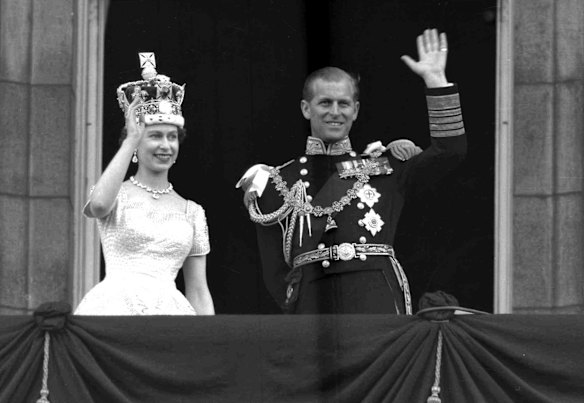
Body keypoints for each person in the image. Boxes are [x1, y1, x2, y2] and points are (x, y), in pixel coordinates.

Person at [237, 29, 466, 314]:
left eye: (343, 103)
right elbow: (274, 270)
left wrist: (436, 81)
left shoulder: (385, 166)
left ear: (355, 110)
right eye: (325, 103)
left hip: (374, 300)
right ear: (306, 109)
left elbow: (450, 152)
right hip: (312, 306)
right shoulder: (276, 181)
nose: (335, 111)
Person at [75, 53, 214, 315]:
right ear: (137, 142)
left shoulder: (192, 212)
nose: (165, 145)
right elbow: (99, 205)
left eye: (172, 137)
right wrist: (131, 139)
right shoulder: (114, 193)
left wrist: (211, 345)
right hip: (113, 310)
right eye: (155, 136)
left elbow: (198, 290)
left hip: (170, 315)